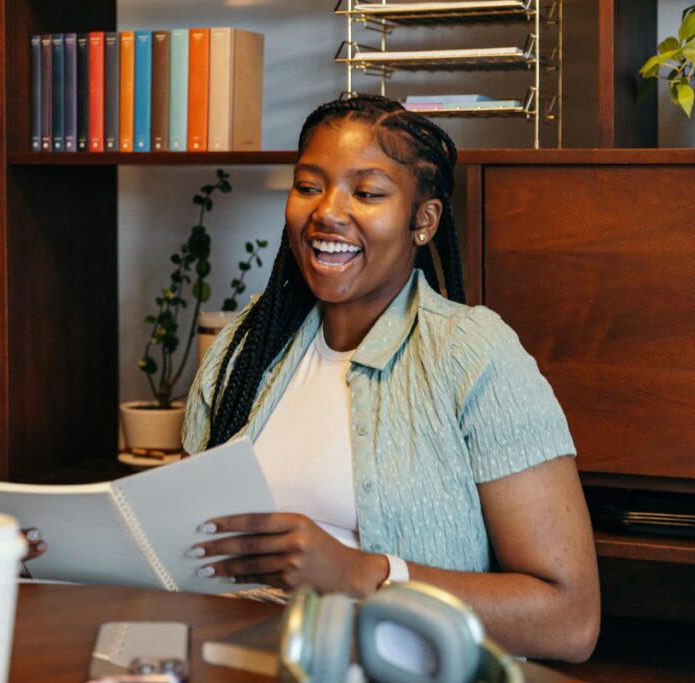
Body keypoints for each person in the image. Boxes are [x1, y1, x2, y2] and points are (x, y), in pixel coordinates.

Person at [179, 95, 599, 663]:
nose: (328, 211)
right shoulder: (242, 349)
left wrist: (361, 576)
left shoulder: (473, 354)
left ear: (422, 221)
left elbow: (568, 620)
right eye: (309, 186)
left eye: (368, 192)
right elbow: (179, 543)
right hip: (230, 664)